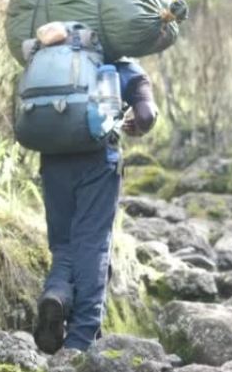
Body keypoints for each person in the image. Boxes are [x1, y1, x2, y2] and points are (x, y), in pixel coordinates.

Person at [34, 59, 158, 354]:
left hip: (53, 158)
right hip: (97, 161)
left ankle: (57, 293)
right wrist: (136, 124)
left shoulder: (55, 54)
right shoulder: (122, 64)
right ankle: (82, 339)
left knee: (64, 243)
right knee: (92, 244)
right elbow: (147, 115)